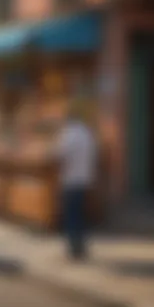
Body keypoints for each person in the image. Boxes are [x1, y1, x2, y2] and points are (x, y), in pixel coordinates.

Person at [55, 102, 97, 260]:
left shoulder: (68, 134)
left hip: (70, 180)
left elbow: (60, 155)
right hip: (85, 179)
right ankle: (81, 247)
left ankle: (73, 249)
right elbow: (93, 155)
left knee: (71, 215)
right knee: (80, 214)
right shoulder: (87, 133)